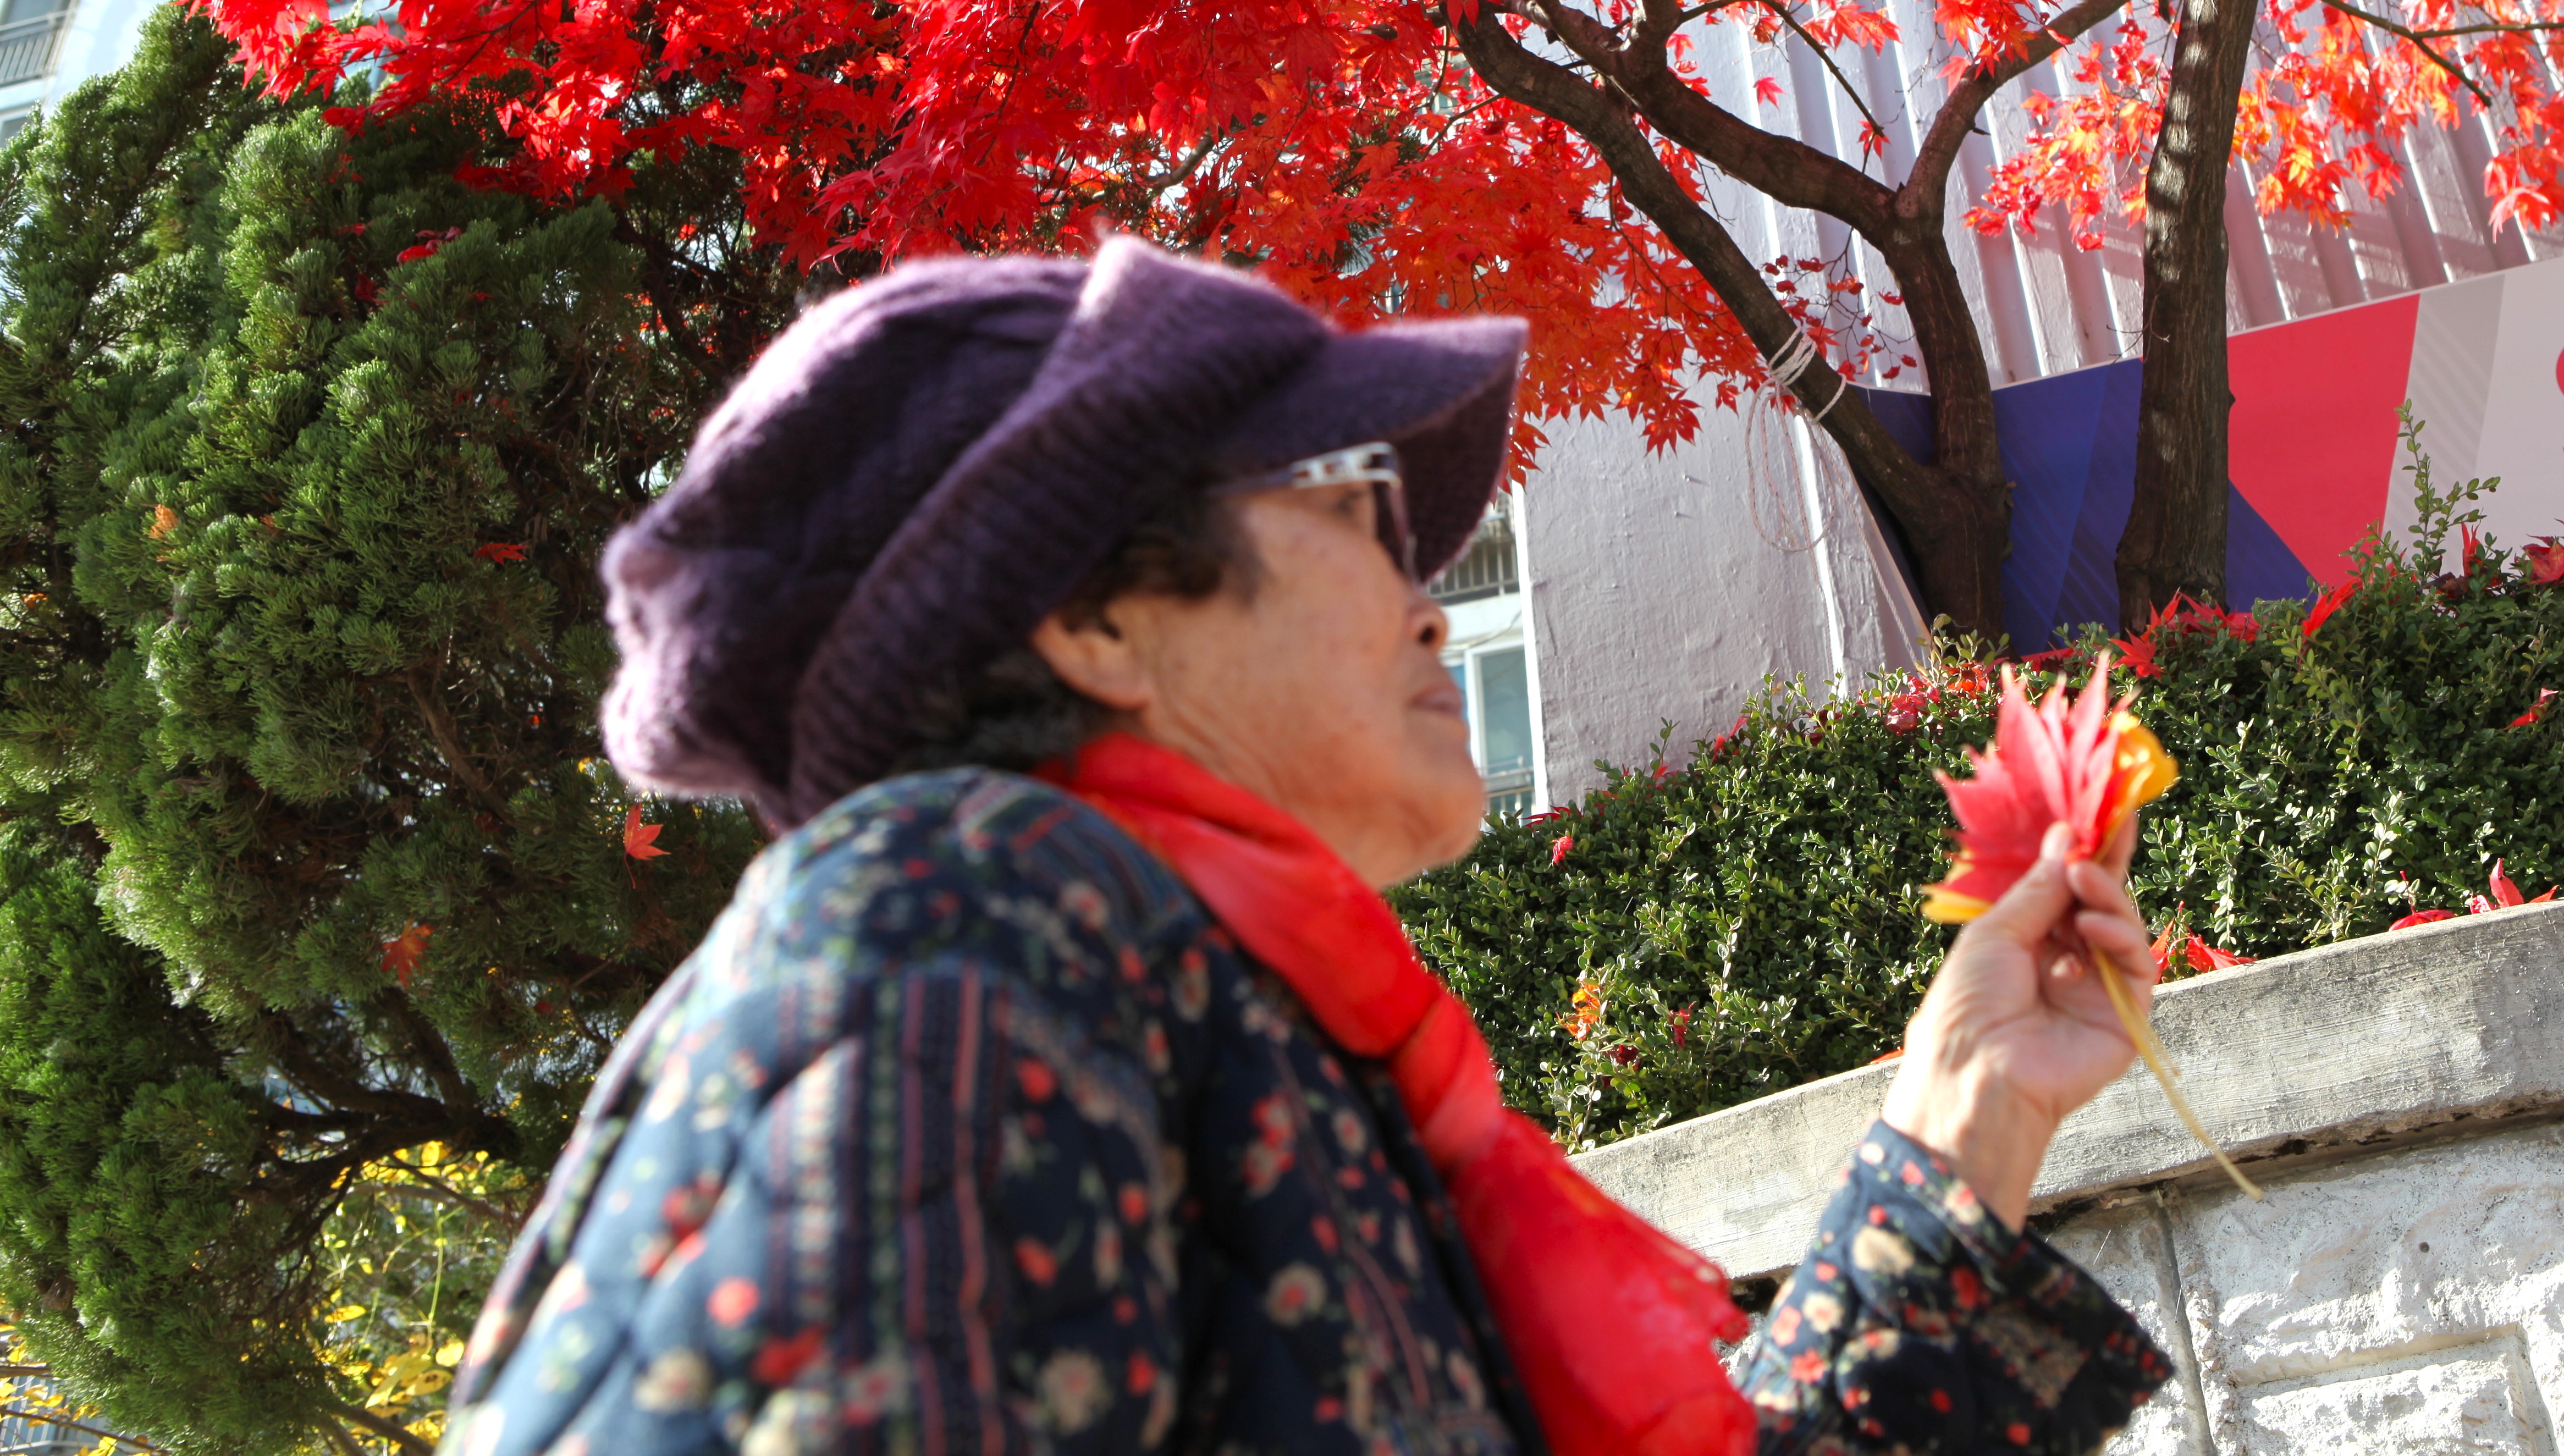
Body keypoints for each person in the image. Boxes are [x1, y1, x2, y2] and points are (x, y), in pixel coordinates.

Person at [442, 241, 2174, 1456]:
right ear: (1099, 616)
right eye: (1357, 504)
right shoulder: (958, 920)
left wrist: (1969, 1115)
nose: (1433, 606)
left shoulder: (1239, 1022)